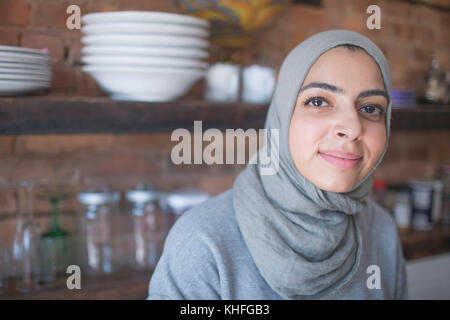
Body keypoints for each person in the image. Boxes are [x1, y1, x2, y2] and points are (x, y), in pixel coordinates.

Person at [148, 30, 408, 300]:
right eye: (318, 101)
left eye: (371, 108)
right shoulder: (204, 243)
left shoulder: (381, 231)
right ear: (282, 116)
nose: (352, 128)